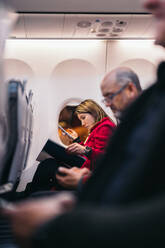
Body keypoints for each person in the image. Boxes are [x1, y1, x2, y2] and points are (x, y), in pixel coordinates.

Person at [3, 0, 165, 246]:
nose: (149, 2)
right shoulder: (153, 101)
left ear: (130, 88)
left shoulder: (143, 112)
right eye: (105, 98)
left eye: (110, 96)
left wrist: (69, 215)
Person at [25, 99, 115, 192]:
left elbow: (104, 158)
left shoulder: (105, 127)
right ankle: (32, 192)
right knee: (49, 163)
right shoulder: (98, 128)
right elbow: (90, 150)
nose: (82, 124)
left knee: (48, 146)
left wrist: (85, 150)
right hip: (85, 163)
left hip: (88, 168)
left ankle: (29, 194)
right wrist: (76, 140)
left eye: (83, 118)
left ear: (94, 112)